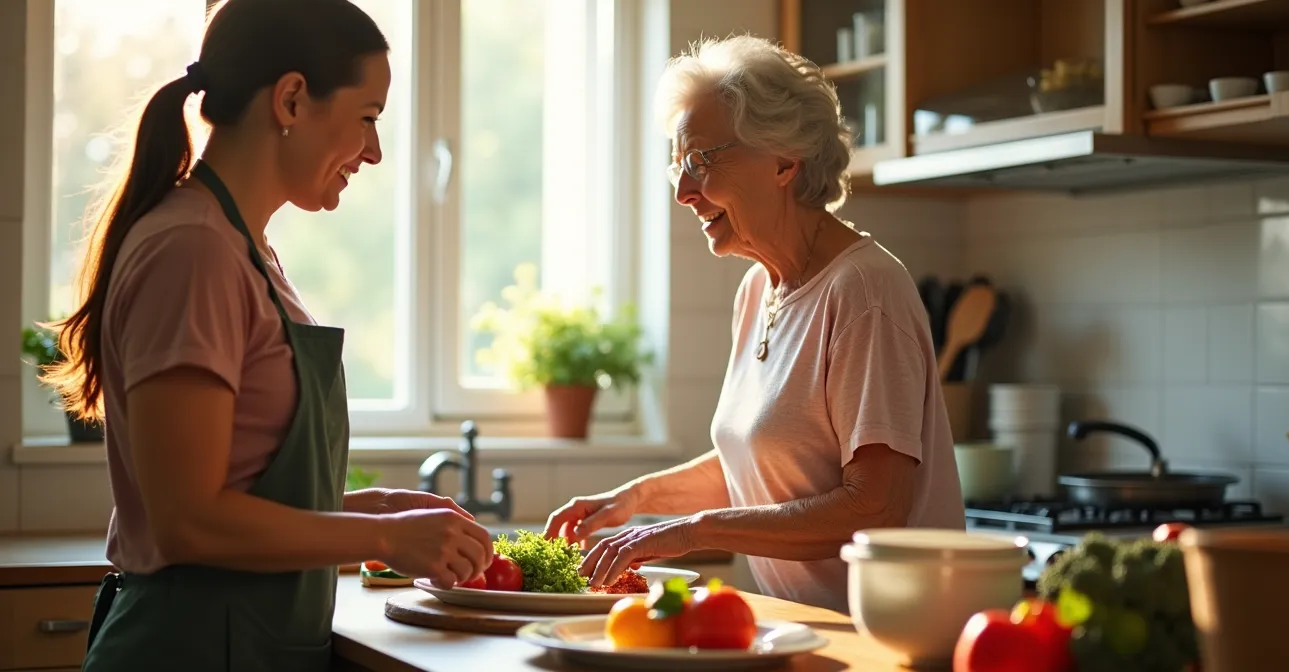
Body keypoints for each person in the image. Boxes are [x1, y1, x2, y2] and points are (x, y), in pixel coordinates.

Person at [39, 1, 493, 669]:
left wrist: (378, 511)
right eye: (368, 117)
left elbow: (241, 492)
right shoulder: (193, 249)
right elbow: (188, 520)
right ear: (290, 99)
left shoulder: (241, 247)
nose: (373, 151)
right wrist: (385, 538)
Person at [543, 35, 965, 614]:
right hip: (809, 629)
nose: (684, 192)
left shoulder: (864, 292)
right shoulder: (758, 290)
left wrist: (693, 531)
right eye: (676, 167)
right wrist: (632, 500)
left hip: (892, 638)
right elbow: (765, 468)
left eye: (701, 162)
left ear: (785, 161)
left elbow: (875, 508)